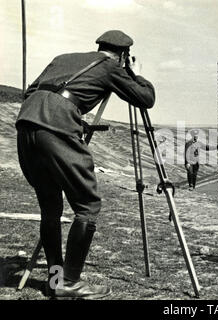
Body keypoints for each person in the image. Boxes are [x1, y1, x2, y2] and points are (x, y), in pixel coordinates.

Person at [15, 30, 155, 299]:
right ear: (123, 55)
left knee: (50, 206)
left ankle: (56, 280)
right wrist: (135, 73)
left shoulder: (63, 57)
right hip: (55, 129)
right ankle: (68, 282)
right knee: (87, 205)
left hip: (26, 126)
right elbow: (145, 99)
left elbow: (31, 91)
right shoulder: (110, 66)